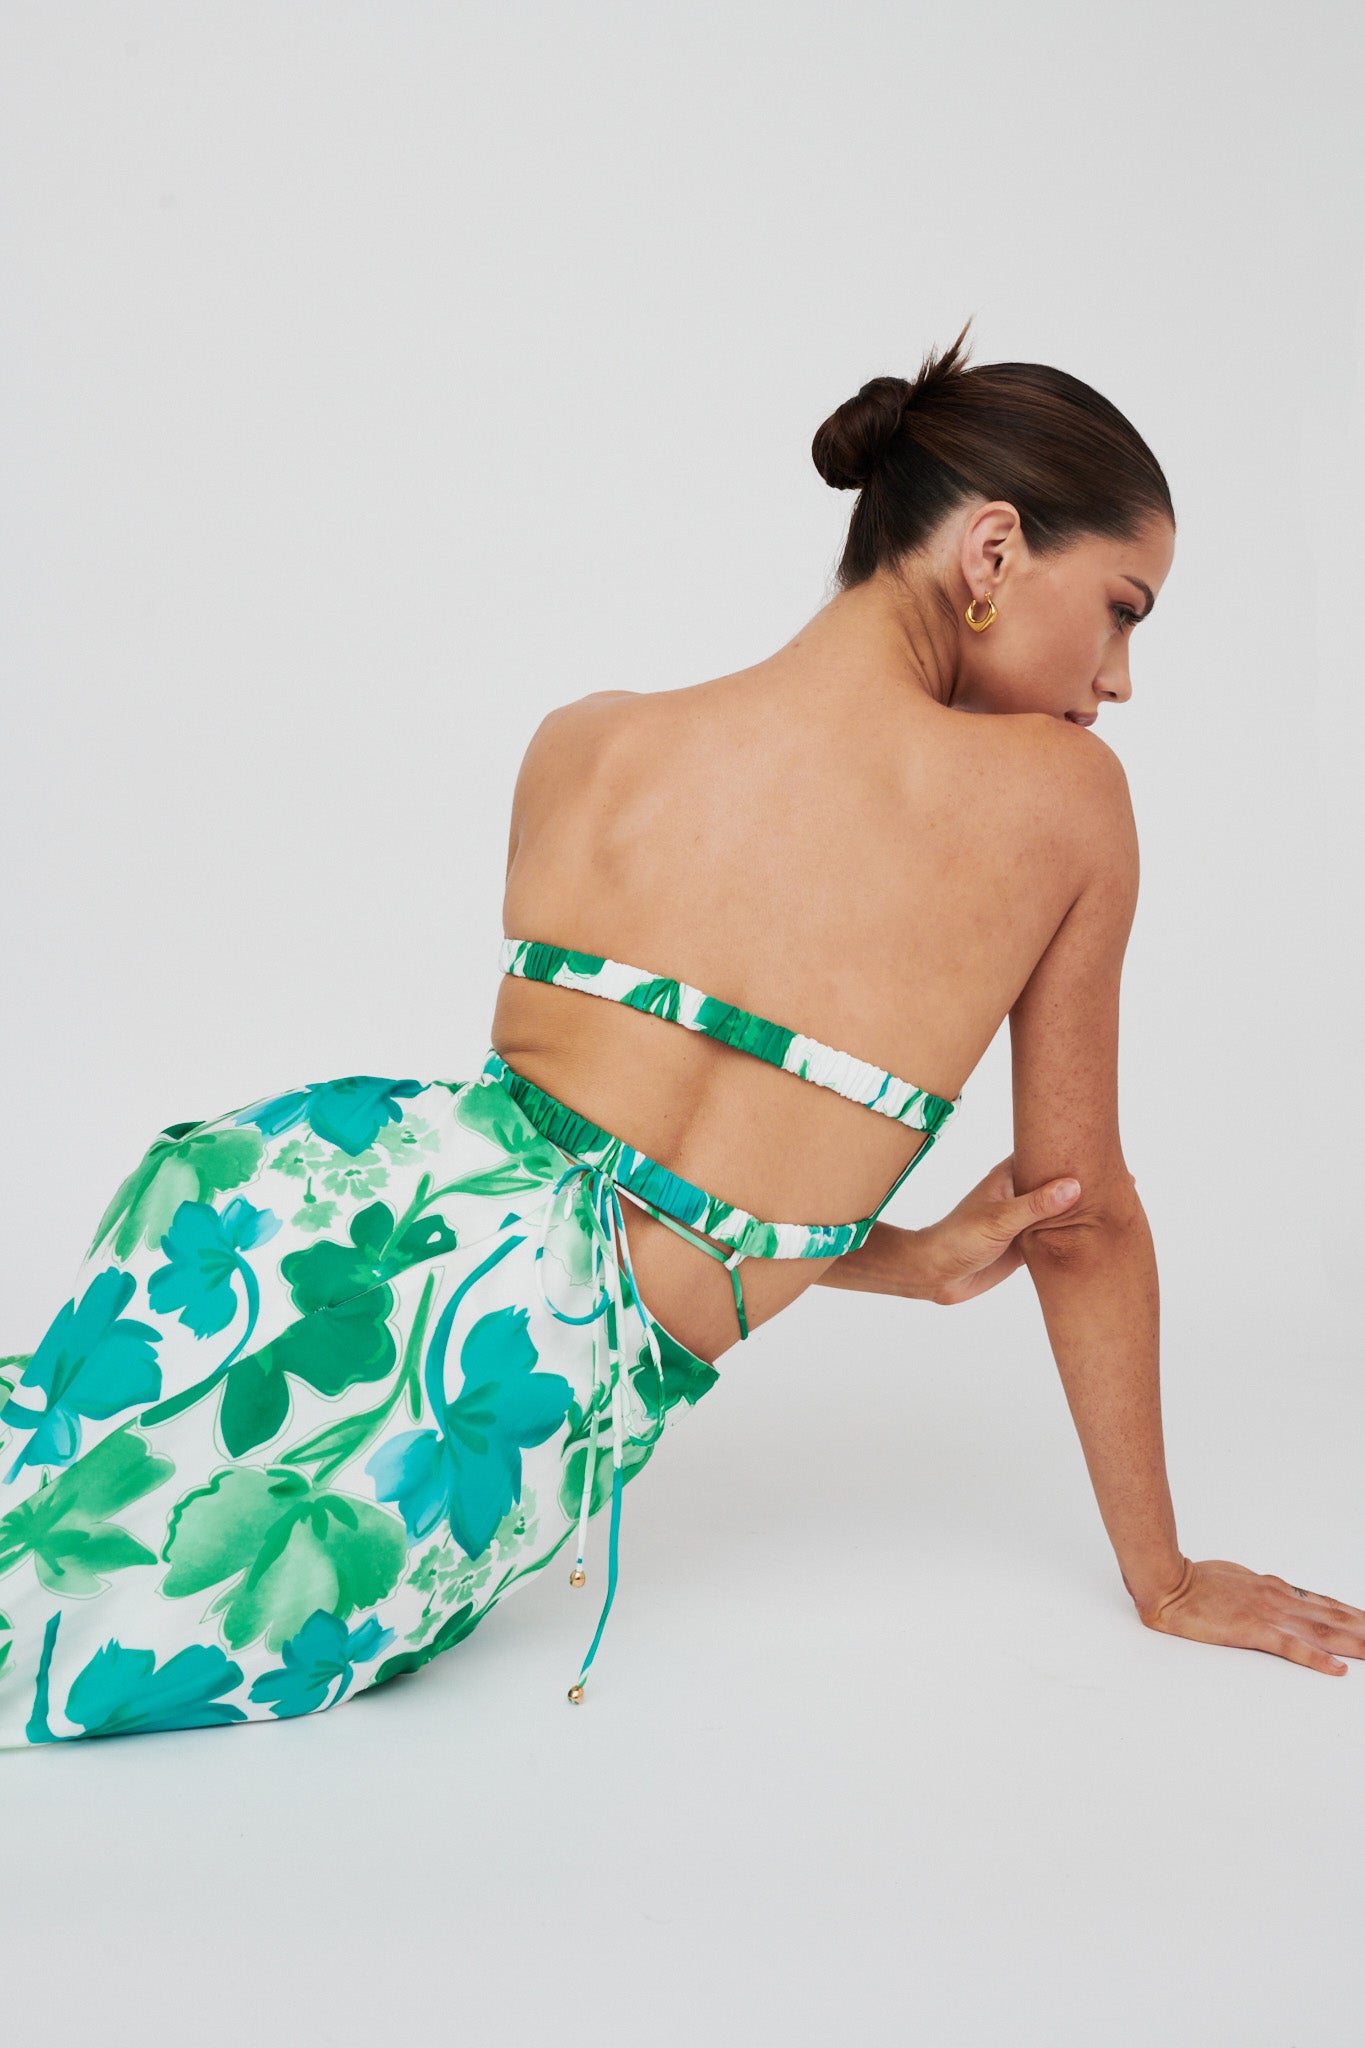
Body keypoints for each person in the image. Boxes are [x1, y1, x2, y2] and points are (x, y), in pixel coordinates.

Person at [4, 320, 1360, 1750]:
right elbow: (1071, 1217)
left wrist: (902, 1261)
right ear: (994, 549)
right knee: (66, 1643)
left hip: (289, 1212)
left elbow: (571, 1166)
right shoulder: (1062, 800)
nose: (1121, 677)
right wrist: (1163, 1575)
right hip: (495, 1400)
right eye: (1123, 609)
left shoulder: (586, 740)